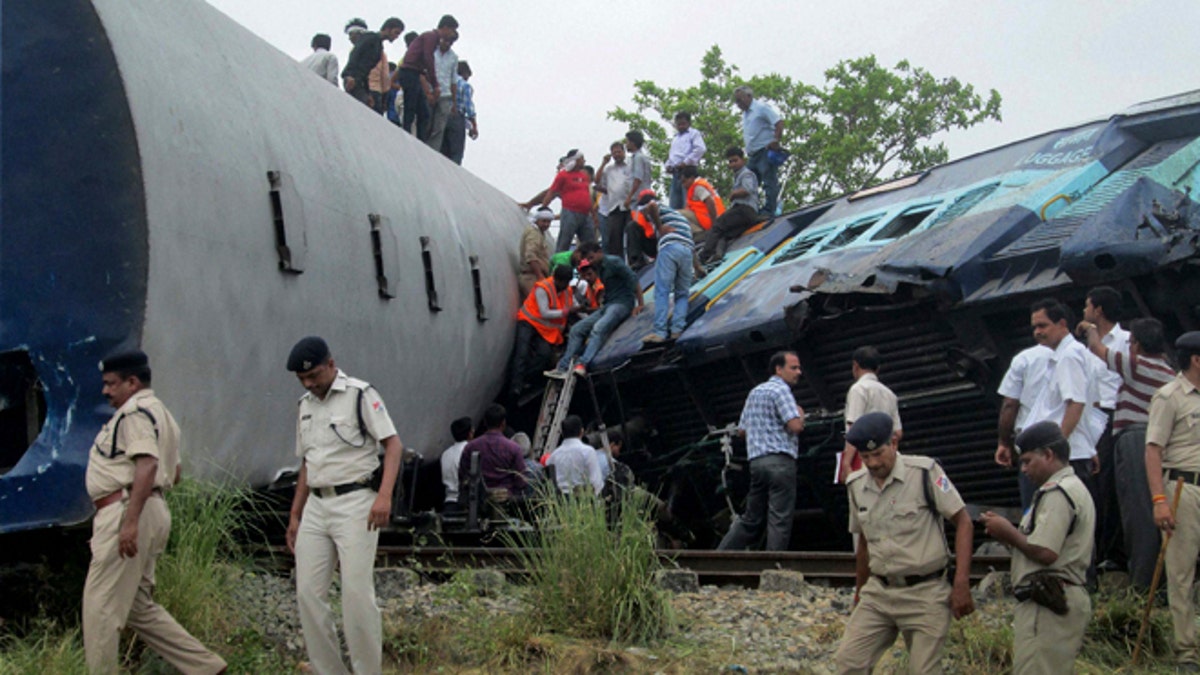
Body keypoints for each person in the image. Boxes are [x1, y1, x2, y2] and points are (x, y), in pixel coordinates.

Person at [81, 350, 227, 675]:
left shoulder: (134, 413)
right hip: (151, 508)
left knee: (100, 608)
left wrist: (130, 522)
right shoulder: (162, 414)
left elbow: (147, 464)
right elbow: (174, 473)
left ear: (132, 382)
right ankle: (205, 666)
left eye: (111, 384)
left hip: (126, 509)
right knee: (137, 608)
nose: (105, 391)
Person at [285, 336, 402, 675]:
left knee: (355, 595)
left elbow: (392, 445)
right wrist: (295, 514)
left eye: (315, 376)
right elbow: (307, 463)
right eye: (303, 379)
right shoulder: (305, 405)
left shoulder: (360, 395)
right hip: (317, 506)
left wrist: (384, 495)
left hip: (356, 502)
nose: (310, 383)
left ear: (331, 364)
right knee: (308, 592)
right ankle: (329, 670)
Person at [835, 412, 974, 674]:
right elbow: (863, 543)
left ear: (894, 443)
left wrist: (961, 583)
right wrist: (859, 592)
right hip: (879, 592)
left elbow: (963, 522)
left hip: (926, 593)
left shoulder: (925, 472)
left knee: (923, 670)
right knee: (849, 663)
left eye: (878, 454)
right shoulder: (856, 486)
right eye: (865, 457)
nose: (873, 463)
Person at [981, 421, 1095, 674]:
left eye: (1028, 461)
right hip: (1058, 599)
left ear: (1049, 455)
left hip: (1047, 604)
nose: (1023, 469)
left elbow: (1046, 552)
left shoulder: (1058, 492)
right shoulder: (1075, 488)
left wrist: (1007, 533)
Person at [1078, 317, 1174, 588]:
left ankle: (1144, 584)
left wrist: (1091, 329)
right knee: (1151, 507)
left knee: (1137, 511)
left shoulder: (1137, 364)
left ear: (1138, 345)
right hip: (1156, 441)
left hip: (1134, 439)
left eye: (1131, 343)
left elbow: (1099, 350)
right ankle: (1159, 577)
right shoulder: (1168, 371)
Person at [1145, 331, 1200, 670]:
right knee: (1181, 571)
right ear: (1197, 359)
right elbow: (1153, 449)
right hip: (1184, 487)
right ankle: (1186, 652)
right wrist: (1159, 500)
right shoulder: (1169, 397)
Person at [718, 351, 805, 551]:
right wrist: (800, 415)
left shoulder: (755, 392)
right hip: (780, 463)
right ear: (778, 369)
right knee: (779, 518)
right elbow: (795, 427)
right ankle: (773, 566)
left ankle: (721, 556)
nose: (799, 372)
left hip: (757, 463)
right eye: (794, 368)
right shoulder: (781, 391)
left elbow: (742, 431)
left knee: (751, 518)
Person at [1022, 298, 1101, 496]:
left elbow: (1076, 404)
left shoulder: (1069, 356)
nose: (1037, 332)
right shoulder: (1067, 355)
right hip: (1072, 452)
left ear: (1062, 324)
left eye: (1042, 325)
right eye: (1034, 327)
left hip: (1064, 458)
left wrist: (1058, 448)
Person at [1078, 286, 1129, 572]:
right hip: (1089, 417)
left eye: (1087, 306)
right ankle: (1094, 550)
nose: (1084, 312)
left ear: (1098, 310)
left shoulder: (1125, 341)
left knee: (1109, 483)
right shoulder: (1085, 347)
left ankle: (1114, 552)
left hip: (1112, 415)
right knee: (1091, 485)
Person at [546, 241, 644, 378]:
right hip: (609, 304)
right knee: (576, 329)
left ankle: (582, 363)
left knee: (599, 327)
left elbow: (633, 279)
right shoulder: (598, 268)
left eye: (592, 257)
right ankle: (563, 366)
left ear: (599, 252)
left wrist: (640, 303)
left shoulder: (613, 262)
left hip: (622, 303)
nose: (590, 261)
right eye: (588, 259)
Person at [995, 342, 1054, 509]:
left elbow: (1010, 404)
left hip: (1033, 444)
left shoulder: (1025, 359)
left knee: (1035, 510)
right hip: (1068, 444)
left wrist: (1004, 442)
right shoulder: (1079, 354)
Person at [508, 264, 575, 400]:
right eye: (561, 282)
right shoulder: (543, 288)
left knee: (544, 355)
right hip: (528, 321)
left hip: (545, 329)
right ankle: (515, 386)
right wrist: (566, 312)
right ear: (556, 279)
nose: (563, 285)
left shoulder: (567, 291)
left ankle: (526, 378)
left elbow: (573, 305)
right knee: (522, 352)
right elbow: (544, 312)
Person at [838, 346, 903, 483]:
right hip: (887, 458)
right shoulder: (889, 394)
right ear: (878, 368)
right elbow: (898, 432)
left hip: (864, 459)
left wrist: (846, 463)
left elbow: (853, 429)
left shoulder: (858, 389)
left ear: (855, 366)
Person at [637, 191, 694, 344]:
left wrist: (659, 227)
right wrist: (699, 268)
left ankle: (659, 332)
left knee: (662, 291)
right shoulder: (680, 218)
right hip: (686, 252)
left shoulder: (656, 207)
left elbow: (652, 206)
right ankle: (677, 330)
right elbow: (690, 244)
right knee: (682, 294)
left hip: (669, 249)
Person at [397, 15, 459, 137]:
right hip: (410, 72)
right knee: (410, 108)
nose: (452, 34)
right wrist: (435, 85)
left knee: (423, 113)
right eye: (452, 30)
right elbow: (428, 59)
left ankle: (419, 141)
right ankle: (405, 136)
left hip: (415, 73)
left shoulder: (433, 39)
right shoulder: (431, 37)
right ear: (445, 28)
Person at [700, 147, 761, 264]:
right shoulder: (738, 176)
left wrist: (734, 194)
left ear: (743, 160)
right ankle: (718, 254)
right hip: (746, 214)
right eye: (730, 161)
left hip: (744, 210)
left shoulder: (746, 174)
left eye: (735, 160)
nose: (732, 164)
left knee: (717, 225)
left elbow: (747, 189)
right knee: (725, 234)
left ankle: (704, 256)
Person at [529, 149, 595, 252]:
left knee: (590, 244)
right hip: (570, 212)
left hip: (585, 214)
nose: (584, 161)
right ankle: (559, 264)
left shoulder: (583, 176)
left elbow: (587, 196)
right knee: (565, 240)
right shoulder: (563, 175)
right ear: (576, 160)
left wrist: (593, 214)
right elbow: (551, 192)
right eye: (582, 159)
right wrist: (544, 207)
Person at [733, 85, 784, 216]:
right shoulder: (746, 114)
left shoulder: (760, 108)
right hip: (753, 155)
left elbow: (778, 122)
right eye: (736, 101)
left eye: (740, 100)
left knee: (769, 181)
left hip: (764, 151)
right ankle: (750, 210)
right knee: (749, 182)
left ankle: (770, 209)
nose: (738, 104)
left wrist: (776, 140)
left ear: (749, 96)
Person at [458, 404, 528, 498]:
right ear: (503, 423)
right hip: (506, 499)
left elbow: (463, 474)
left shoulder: (470, 447)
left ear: (485, 423)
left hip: (479, 501)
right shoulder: (514, 448)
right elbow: (521, 479)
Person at [342, 18, 404, 111]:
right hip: (353, 80)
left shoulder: (379, 47)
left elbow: (366, 71)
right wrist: (348, 75)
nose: (396, 37)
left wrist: (368, 92)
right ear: (387, 29)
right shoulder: (370, 37)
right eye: (396, 32)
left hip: (362, 83)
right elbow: (355, 55)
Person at [546, 415, 604, 495]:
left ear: (562, 434)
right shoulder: (588, 452)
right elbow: (597, 483)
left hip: (560, 502)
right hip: (584, 502)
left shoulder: (553, 457)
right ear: (582, 431)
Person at [623, 131, 656, 267]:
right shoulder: (642, 158)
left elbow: (638, 178)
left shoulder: (638, 158)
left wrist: (629, 197)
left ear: (633, 142)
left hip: (638, 199)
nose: (626, 145)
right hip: (644, 196)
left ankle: (638, 259)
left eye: (627, 142)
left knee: (635, 227)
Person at [594, 141, 631, 257]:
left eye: (619, 152)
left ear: (623, 152)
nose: (617, 155)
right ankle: (618, 263)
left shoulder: (631, 165)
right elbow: (597, 181)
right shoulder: (608, 169)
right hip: (614, 207)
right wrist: (603, 163)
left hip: (629, 205)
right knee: (614, 239)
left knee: (631, 235)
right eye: (614, 153)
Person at [425, 31, 458, 151]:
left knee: (439, 127)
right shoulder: (432, 51)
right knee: (426, 121)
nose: (448, 44)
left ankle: (433, 151)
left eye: (451, 42)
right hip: (430, 91)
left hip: (445, 94)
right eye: (447, 40)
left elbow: (453, 81)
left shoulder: (453, 57)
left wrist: (454, 103)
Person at [665, 111, 707, 209]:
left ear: (689, 123)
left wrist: (686, 162)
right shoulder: (676, 138)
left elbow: (700, 149)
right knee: (674, 205)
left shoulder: (693, 134)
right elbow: (672, 155)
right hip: (676, 173)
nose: (681, 126)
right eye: (678, 124)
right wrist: (668, 165)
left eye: (683, 124)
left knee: (687, 202)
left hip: (688, 171)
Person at [441, 61, 476, 165]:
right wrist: (474, 126)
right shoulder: (465, 86)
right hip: (456, 118)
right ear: (465, 73)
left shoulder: (445, 82)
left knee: (442, 151)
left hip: (442, 116)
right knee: (456, 153)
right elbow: (469, 108)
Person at [518, 206, 554, 299]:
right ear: (537, 220)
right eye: (544, 221)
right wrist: (540, 277)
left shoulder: (540, 233)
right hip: (531, 277)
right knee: (536, 307)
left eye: (548, 222)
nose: (546, 224)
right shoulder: (533, 233)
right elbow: (530, 256)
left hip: (535, 277)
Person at [679, 165, 725, 235]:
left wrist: (714, 224)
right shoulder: (701, 184)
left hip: (711, 219)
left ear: (691, 178)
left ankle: (699, 234)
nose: (683, 185)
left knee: (678, 214)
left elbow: (710, 202)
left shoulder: (698, 187)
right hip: (715, 218)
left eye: (684, 181)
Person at [440, 416, 474, 512]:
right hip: (464, 502)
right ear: (470, 433)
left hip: (448, 502)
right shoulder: (470, 451)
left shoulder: (445, 454)